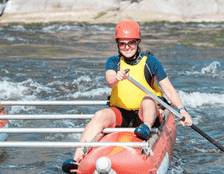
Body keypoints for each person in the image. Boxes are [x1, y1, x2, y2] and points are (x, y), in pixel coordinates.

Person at [73, 20, 193, 163]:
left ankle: (146, 130)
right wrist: (117, 77)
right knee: (99, 115)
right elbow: (110, 80)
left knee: (149, 99)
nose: (127, 47)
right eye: (122, 43)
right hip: (122, 114)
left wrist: (182, 110)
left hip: (146, 114)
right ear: (118, 44)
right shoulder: (113, 61)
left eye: (131, 43)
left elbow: (168, 88)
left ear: (137, 42)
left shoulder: (151, 62)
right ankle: (77, 157)